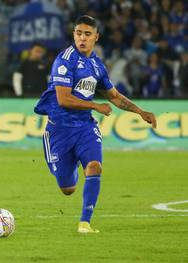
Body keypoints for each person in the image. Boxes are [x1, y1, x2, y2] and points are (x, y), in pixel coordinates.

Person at [34, 15, 157, 234]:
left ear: (96, 37)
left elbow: (115, 96)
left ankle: (85, 223)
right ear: (74, 35)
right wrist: (95, 106)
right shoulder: (65, 60)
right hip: (59, 131)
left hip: (85, 128)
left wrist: (140, 111)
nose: (82, 38)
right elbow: (63, 99)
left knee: (94, 166)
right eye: (78, 33)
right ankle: (69, 170)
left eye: (87, 34)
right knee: (68, 188)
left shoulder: (96, 65)